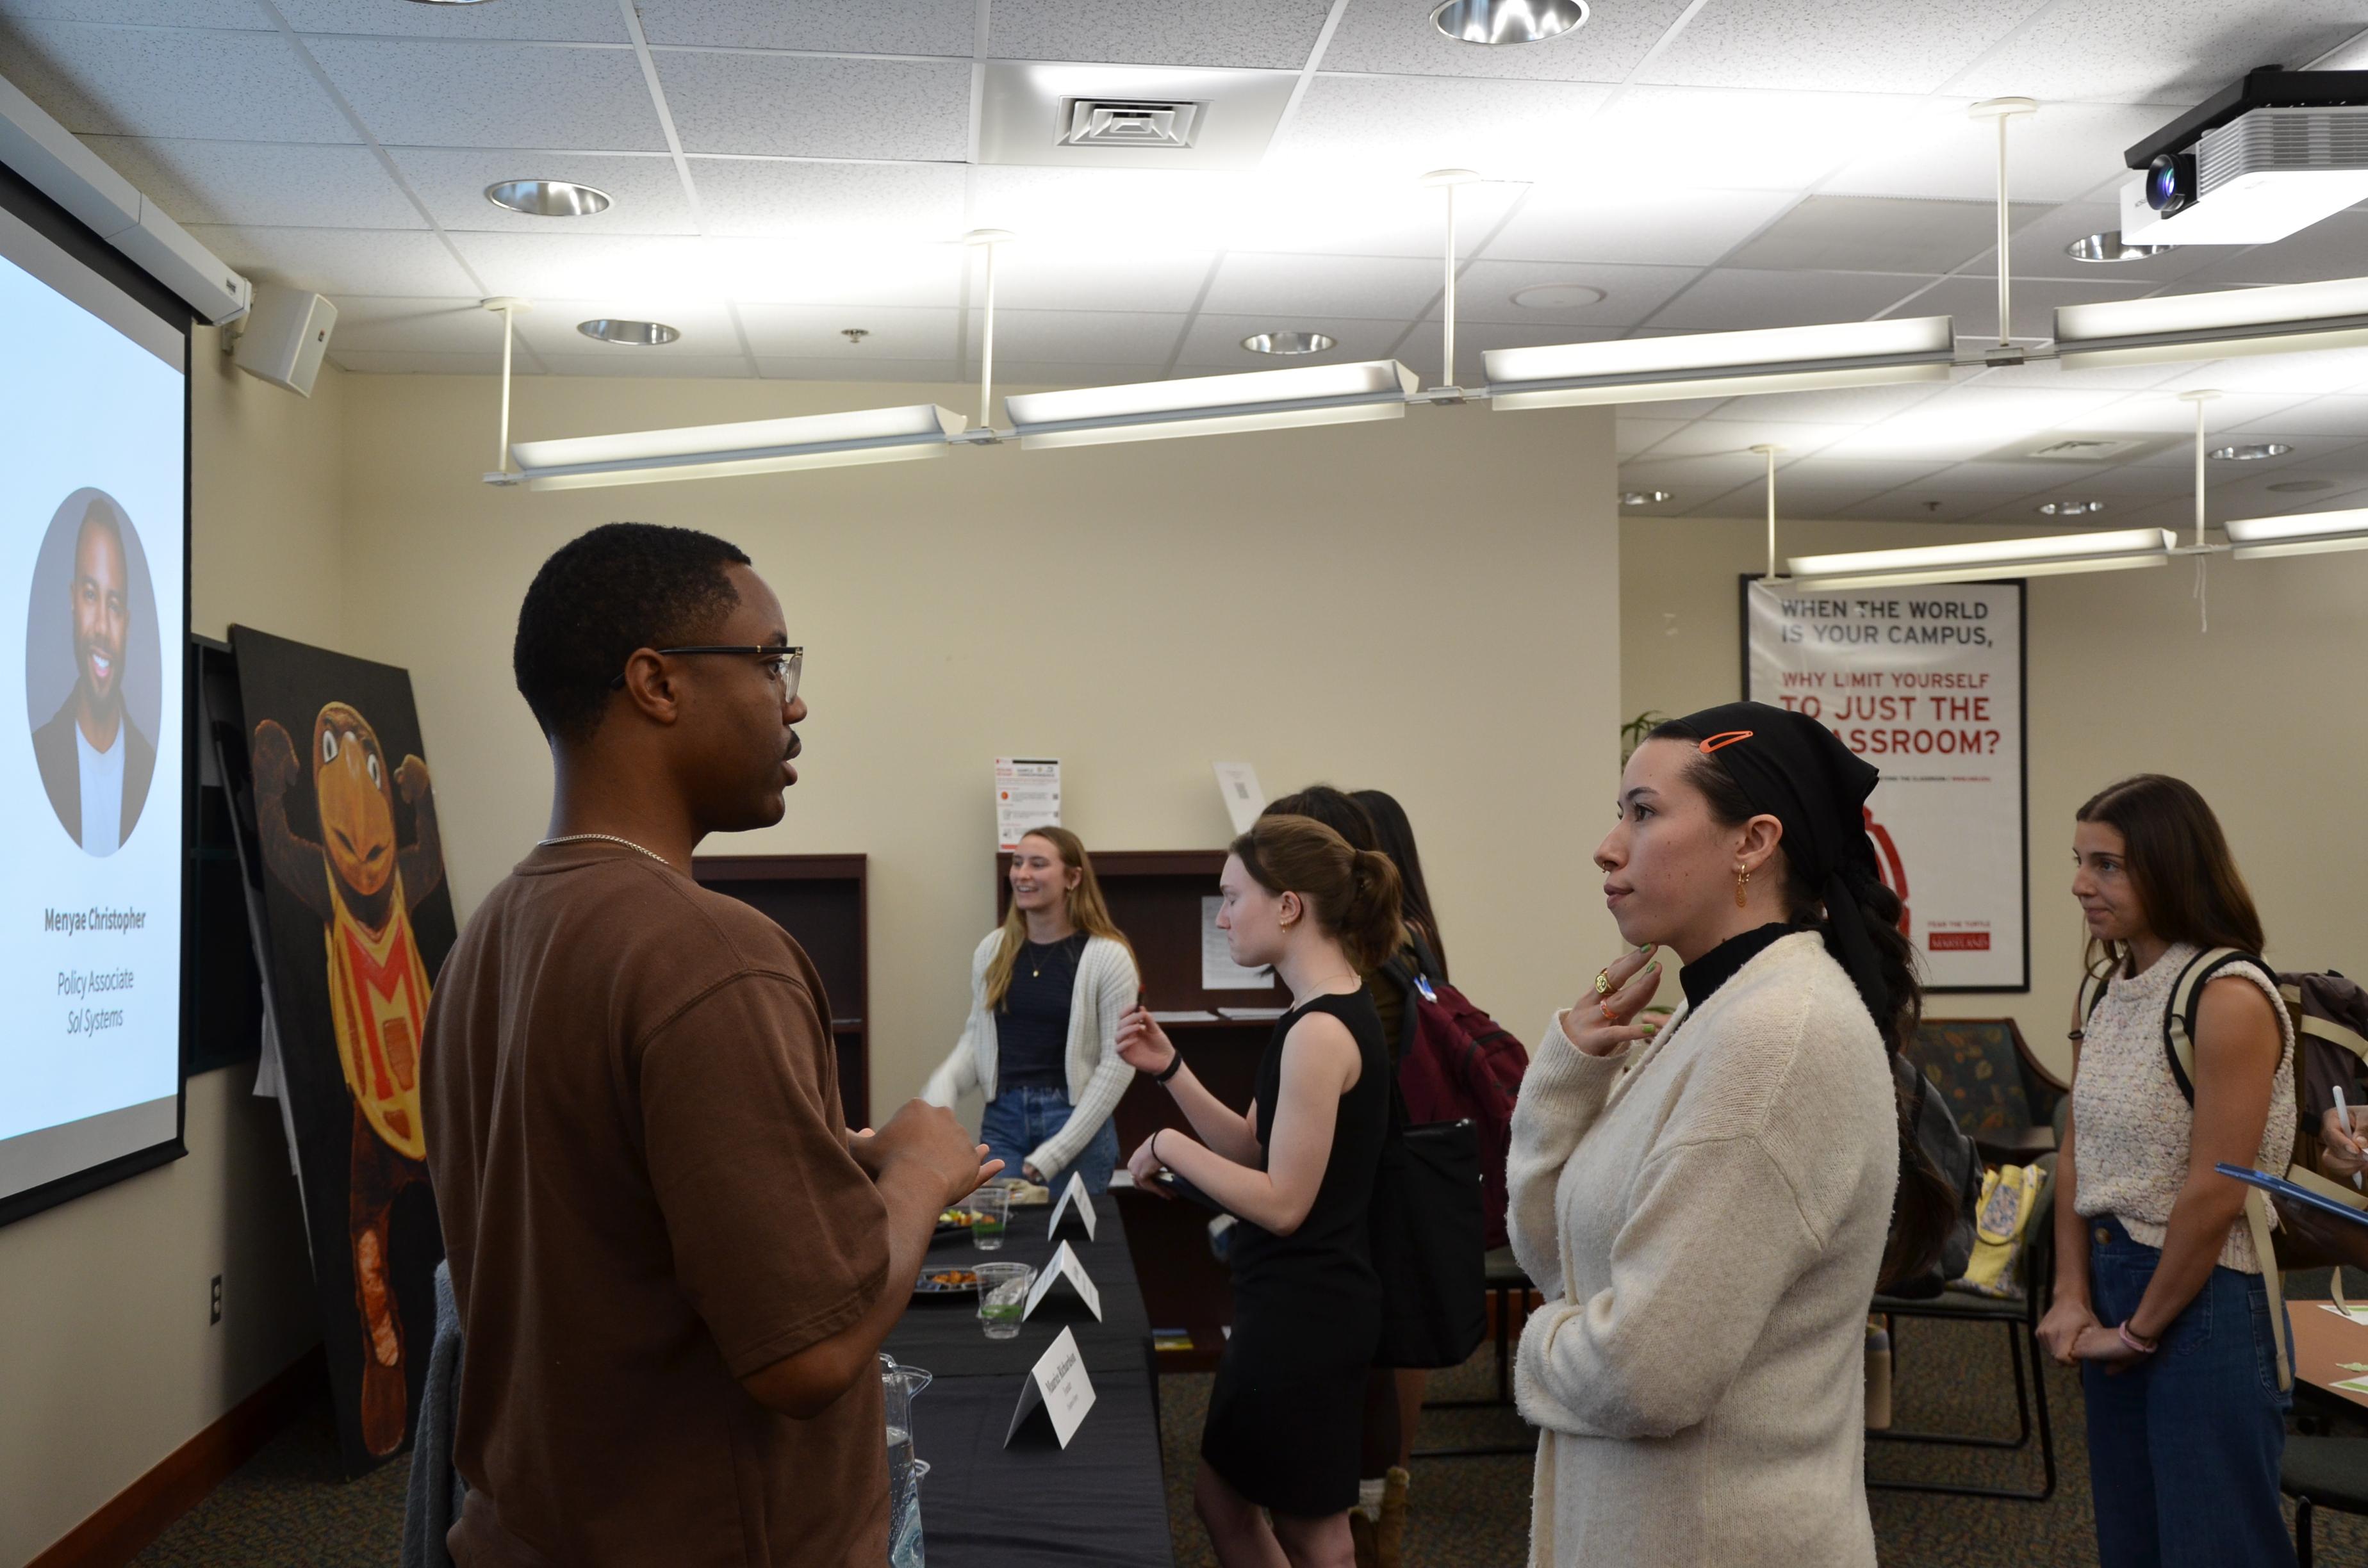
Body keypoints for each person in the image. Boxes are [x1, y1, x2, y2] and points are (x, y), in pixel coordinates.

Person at [420, 523, 998, 1567]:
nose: (795, 698)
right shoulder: (713, 952)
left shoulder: (488, 938)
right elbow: (809, 1353)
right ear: (656, 682)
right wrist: (920, 1169)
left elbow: (602, 1219)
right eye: (771, 658)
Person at [1506, 702, 1956, 1567]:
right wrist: (1567, 1074)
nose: (1608, 846)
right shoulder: (1721, 1009)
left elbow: (1646, 1373)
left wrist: (1537, 1335)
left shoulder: (1776, 1035)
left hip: (1717, 1537)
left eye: (1643, 812)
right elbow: (1563, 1259)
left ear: (1752, 843)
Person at [1115, 815, 1402, 1568]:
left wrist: (1166, 1145)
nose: (1221, 916)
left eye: (1233, 896)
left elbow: (1281, 1201)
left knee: (1311, 1530)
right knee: (1228, 1501)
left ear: (1289, 906)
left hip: (1309, 1310)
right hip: (1294, 1300)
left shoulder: (1319, 1032)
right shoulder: (1312, 1015)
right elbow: (1251, 1148)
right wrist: (1171, 1070)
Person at [2037, 775, 2297, 1568]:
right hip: (2115, 1277)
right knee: (2134, 1536)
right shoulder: (2106, 987)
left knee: (2215, 1544)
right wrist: (2072, 1294)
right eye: (2080, 861)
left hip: (2206, 1292)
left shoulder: (2227, 995)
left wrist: (2141, 1331)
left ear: (2171, 867)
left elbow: (2217, 1190)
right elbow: (2079, 1155)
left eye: (2108, 865)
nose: (2082, 884)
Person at [921, 826, 1140, 1193]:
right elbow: (978, 1042)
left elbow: (1117, 1065)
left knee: (1071, 1248)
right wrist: (938, 1099)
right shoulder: (993, 950)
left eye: (1038, 865)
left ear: (1073, 878)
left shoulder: (1108, 956)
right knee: (1003, 1244)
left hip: (1076, 1126)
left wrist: (1055, 1154)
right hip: (1003, 1123)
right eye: (1017, 863)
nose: (1022, 874)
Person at [32, 497, 155, 854]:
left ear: (127, 625)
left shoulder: (152, 772)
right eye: (90, 595)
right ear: (73, 601)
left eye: (114, 605)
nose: (102, 626)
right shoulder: (37, 758)